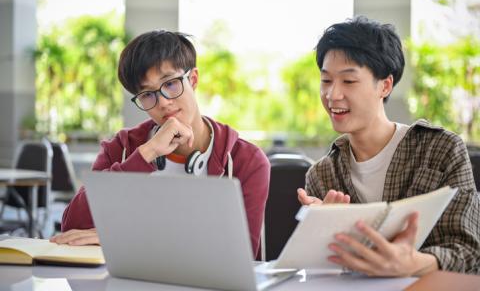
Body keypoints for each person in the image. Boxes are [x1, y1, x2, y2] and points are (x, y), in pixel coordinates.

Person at [50, 30, 270, 258]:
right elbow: (73, 228)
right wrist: (147, 153)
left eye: (171, 83)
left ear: (193, 79)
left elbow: (241, 256)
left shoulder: (247, 161)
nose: (163, 102)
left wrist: (124, 237)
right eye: (147, 94)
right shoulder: (121, 149)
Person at [297, 16, 480, 276]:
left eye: (348, 81)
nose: (332, 95)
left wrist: (414, 263)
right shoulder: (321, 175)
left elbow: (470, 251)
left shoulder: (441, 150)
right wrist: (318, 234)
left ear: (385, 85)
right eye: (326, 81)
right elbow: (320, 273)